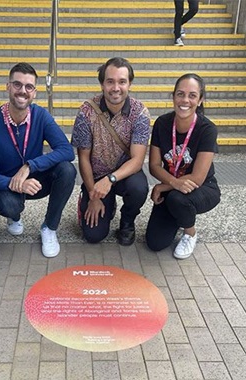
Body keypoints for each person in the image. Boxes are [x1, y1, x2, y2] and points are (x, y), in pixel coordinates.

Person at [0, 62, 76, 258]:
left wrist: (30, 166)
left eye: (29, 87)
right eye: (17, 85)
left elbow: (67, 150)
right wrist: (17, 184)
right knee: (8, 206)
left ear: (35, 92)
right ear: (8, 87)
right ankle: (14, 217)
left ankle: (49, 228)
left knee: (67, 170)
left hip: (35, 180)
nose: (22, 91)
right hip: (8, 184)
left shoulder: (41, 115)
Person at [71, 57, 151, 246]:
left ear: (129, 83)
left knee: (139, 188)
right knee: (93, 236)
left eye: (122, 81)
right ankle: (101, 203)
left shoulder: (140, 113)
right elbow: (83, 158)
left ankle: (127, 222)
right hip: (96, 178)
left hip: (124, 175)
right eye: (110, 81)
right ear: (102, 84)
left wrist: (111, 179)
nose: (116, 87)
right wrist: (93, 194)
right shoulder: (86, 112)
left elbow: (137, 160)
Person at [146, 73, 221, 259]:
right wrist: (173, 183)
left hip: (202, 188)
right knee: (154, 243)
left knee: (178, 200)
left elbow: (197, 177)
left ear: (200, 99)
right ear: (173, 96)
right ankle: (180, 216)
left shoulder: (207, 129)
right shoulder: (162, 124)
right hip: (174, 188)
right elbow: (154, 165)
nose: (185, 100)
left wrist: (164, 185)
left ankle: (190, 232)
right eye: (180, 94)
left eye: (192, 95)